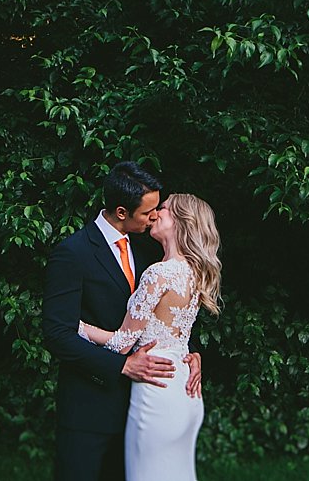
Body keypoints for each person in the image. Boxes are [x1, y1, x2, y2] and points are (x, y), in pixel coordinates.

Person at [42, 162, 203, 481]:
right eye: (148, 212)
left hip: (142, 407)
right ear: (120, 211)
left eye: (158, 209)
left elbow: (161, 316)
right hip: (89, 411)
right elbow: (57, 333)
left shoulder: (148, 250)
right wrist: (122, 366)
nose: (155, 216)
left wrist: (189, 352)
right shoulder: (73, 253)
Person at [78, 193, 221, 481]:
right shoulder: (194, 274)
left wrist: (76, 326)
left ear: (182, 222)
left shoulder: (159, 273)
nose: (154, 214)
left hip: (156, 393)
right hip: (186, 393)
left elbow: (122, 343)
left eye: (164, 210)